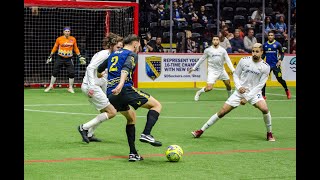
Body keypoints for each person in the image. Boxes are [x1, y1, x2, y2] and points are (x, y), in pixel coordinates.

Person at [191, 43, 276, 142]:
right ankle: (200, 131)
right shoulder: (244, 61)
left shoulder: (265, 67)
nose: (254, 53)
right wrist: (239, 87)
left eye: (257, 51)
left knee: (265, 109)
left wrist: (247, 98)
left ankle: (269, 133)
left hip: (254, 93)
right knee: (222, 112)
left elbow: (260, 86)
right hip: (239, 92)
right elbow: (235, 75)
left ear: (262, 52)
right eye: (253, 51)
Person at [97, 34, 163, 162]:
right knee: (156, 105)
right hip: (124, 90)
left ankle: (133, 153)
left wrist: (102, 75)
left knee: (131, 118)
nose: (139, 47)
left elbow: (99, 70)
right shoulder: (131, 54)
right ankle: (146, 134)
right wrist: (121, 84)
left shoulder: (113, 54)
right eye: (139, 45)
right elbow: (126, 69)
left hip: (111, 95)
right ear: (135, 43)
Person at [77, 33, 123, 143]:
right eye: (118, 47)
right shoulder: (104, 54)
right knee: (112, 112)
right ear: (111, 45)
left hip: (94, 86)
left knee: (104, 111)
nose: (119, 50)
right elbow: (89, 68)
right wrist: (92, 86)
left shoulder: (111, 55)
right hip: (91, 86)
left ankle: (89, 134)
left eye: (121, 48)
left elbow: (103, 75)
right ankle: (84, 127)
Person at [188, 35, 235, 101]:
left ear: (219, 41)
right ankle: (199, 92)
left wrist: (233, 70)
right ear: (212, 41)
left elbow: (228, 60)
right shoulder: (208, 50)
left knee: (228, 84)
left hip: (221, 70)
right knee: (209, 88)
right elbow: (201, 59)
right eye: (214, 39)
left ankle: (230, 97)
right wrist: (194, 68)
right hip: (212, 71)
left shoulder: (223, 50)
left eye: (217, 39)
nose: (215, 41)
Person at [45, 26, 86, 93]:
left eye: (68, 31)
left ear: (70, 32)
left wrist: (79, 56)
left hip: (69, 59)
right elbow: (55, 47)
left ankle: (70, 87)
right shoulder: (59, 39)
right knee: (55, 71)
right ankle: (51, 86)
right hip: (60, 58)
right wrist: (50, 56)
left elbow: (75, 48)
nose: (67, 32)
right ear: (63, 32)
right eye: (66, 31)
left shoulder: (73, 39)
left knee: (72, 72)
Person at [261, 30, 291, 100]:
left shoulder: (278, 44)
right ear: (267, 36)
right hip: (267, 66)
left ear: (274, 36)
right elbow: (263, 54)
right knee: (263, 80)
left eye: (272, 35)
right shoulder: (265, 45)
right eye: (269, 35)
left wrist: (280, 60)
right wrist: (261, 60)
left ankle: (287, 90)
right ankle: (263, 95)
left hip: (276, 65)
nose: (270, 36)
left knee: (280, 79)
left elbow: (282, 53)